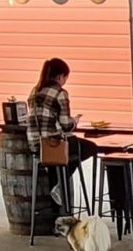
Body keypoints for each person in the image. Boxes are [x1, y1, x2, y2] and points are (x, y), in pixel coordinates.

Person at [26, 57, 95, 203]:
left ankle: (57, 189)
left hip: (36, 146)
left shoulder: (34, 91)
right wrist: (75, 121)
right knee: (90, 148)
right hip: (53, 145)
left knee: (59, 160)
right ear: (60, 76)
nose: (65, 81)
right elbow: (66, 125)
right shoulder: (60, 93)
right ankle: (60, 183)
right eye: (65, 78)